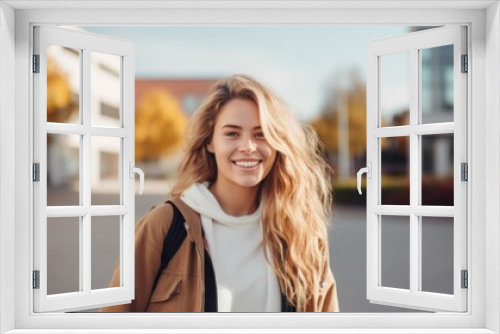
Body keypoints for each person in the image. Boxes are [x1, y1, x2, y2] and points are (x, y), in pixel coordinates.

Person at [100, 74, 339, 313]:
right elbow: (113, 323)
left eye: (261, 133)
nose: (248, 146)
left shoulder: (302, 233)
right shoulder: (163, 226)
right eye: (232, 133)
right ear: (209, 142)